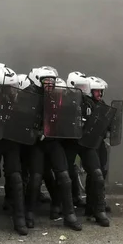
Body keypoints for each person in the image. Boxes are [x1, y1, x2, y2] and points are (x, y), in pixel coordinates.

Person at [24, 67, 82, 231]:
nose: (49, 84)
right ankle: (29, 213)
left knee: (64, 176)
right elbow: (21, 120)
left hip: (53, 141)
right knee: (35, 179)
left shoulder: (57, 96)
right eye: (46, 81)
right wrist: (36, 132)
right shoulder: (29, 96)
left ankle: (69, 214)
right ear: (37, 81)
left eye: (52, 81)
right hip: (37, 143)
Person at [0, 66, 28, 235]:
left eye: (13, 87)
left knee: (16, 176)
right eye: (8, 87)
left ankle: (19, 218)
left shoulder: (17, 99)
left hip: (10, 141)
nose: (12, 90)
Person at [67, 73, 110, 227]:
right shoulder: (65, 101)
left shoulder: (91, 104)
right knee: (65, 175)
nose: (81, 89)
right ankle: (67, 211)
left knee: (97, 173)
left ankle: (97, 209)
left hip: (86, 142)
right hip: (70, 143)